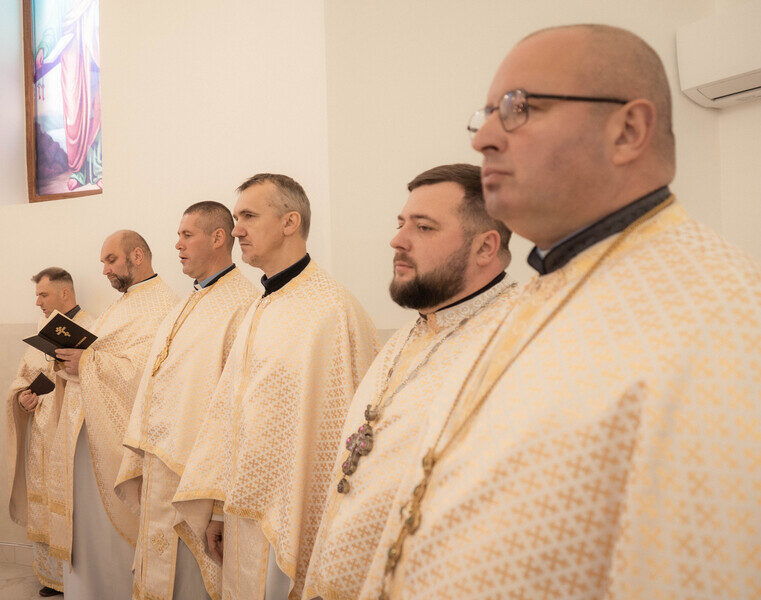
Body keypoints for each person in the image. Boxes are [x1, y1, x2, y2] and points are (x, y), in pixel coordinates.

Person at [368, 24, 761, 600]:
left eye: (519, 109)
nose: (484, 141)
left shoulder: (720, 321)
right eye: (486, 116)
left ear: (627, 131)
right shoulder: (544, 289)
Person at [301, 164, 517, 600]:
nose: (397, 240)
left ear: (485, 247)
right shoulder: (409, 335)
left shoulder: (515, 343)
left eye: (423, 227)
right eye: (401, 223)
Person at [171, 173, 378, 600]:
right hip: (242, 511)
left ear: (289, 222)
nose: (236, 230)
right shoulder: (260, 306)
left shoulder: (332, 310)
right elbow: (228, 414)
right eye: (235, 218)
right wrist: (218, 510)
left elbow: (345, 431)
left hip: (294, 513)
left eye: (248, 216)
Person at [115, 202, 257, 600]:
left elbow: (236, 413)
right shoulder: (186, 303)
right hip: (159, 473)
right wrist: (140, 465)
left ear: (217, 238)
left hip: (197, 485)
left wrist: (217, 506)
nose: (177, 244)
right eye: (178, 235)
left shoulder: (243, 305)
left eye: (187, 235)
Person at [46, 230, 177, 600]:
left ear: (137, 256)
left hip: (116, 447)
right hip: (86, 442)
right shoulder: (120, 305)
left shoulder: (164, 305)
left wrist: (87, 363)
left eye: (111, 260)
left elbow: (147, 374)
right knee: (87, 530)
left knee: (111, 543)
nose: (104, 270)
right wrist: (71, 359)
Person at [5, 268, 93, 597]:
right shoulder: (41, 333)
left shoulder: (93, 328)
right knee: (44, 505)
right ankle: (51, 576)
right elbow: (24, 377)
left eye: (43, 294)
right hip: (41, 439)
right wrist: (23, 398)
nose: (37, 302)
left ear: (64, 293)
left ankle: (81, 577)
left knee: (75, 506)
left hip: (74, 440)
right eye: (37, 295)